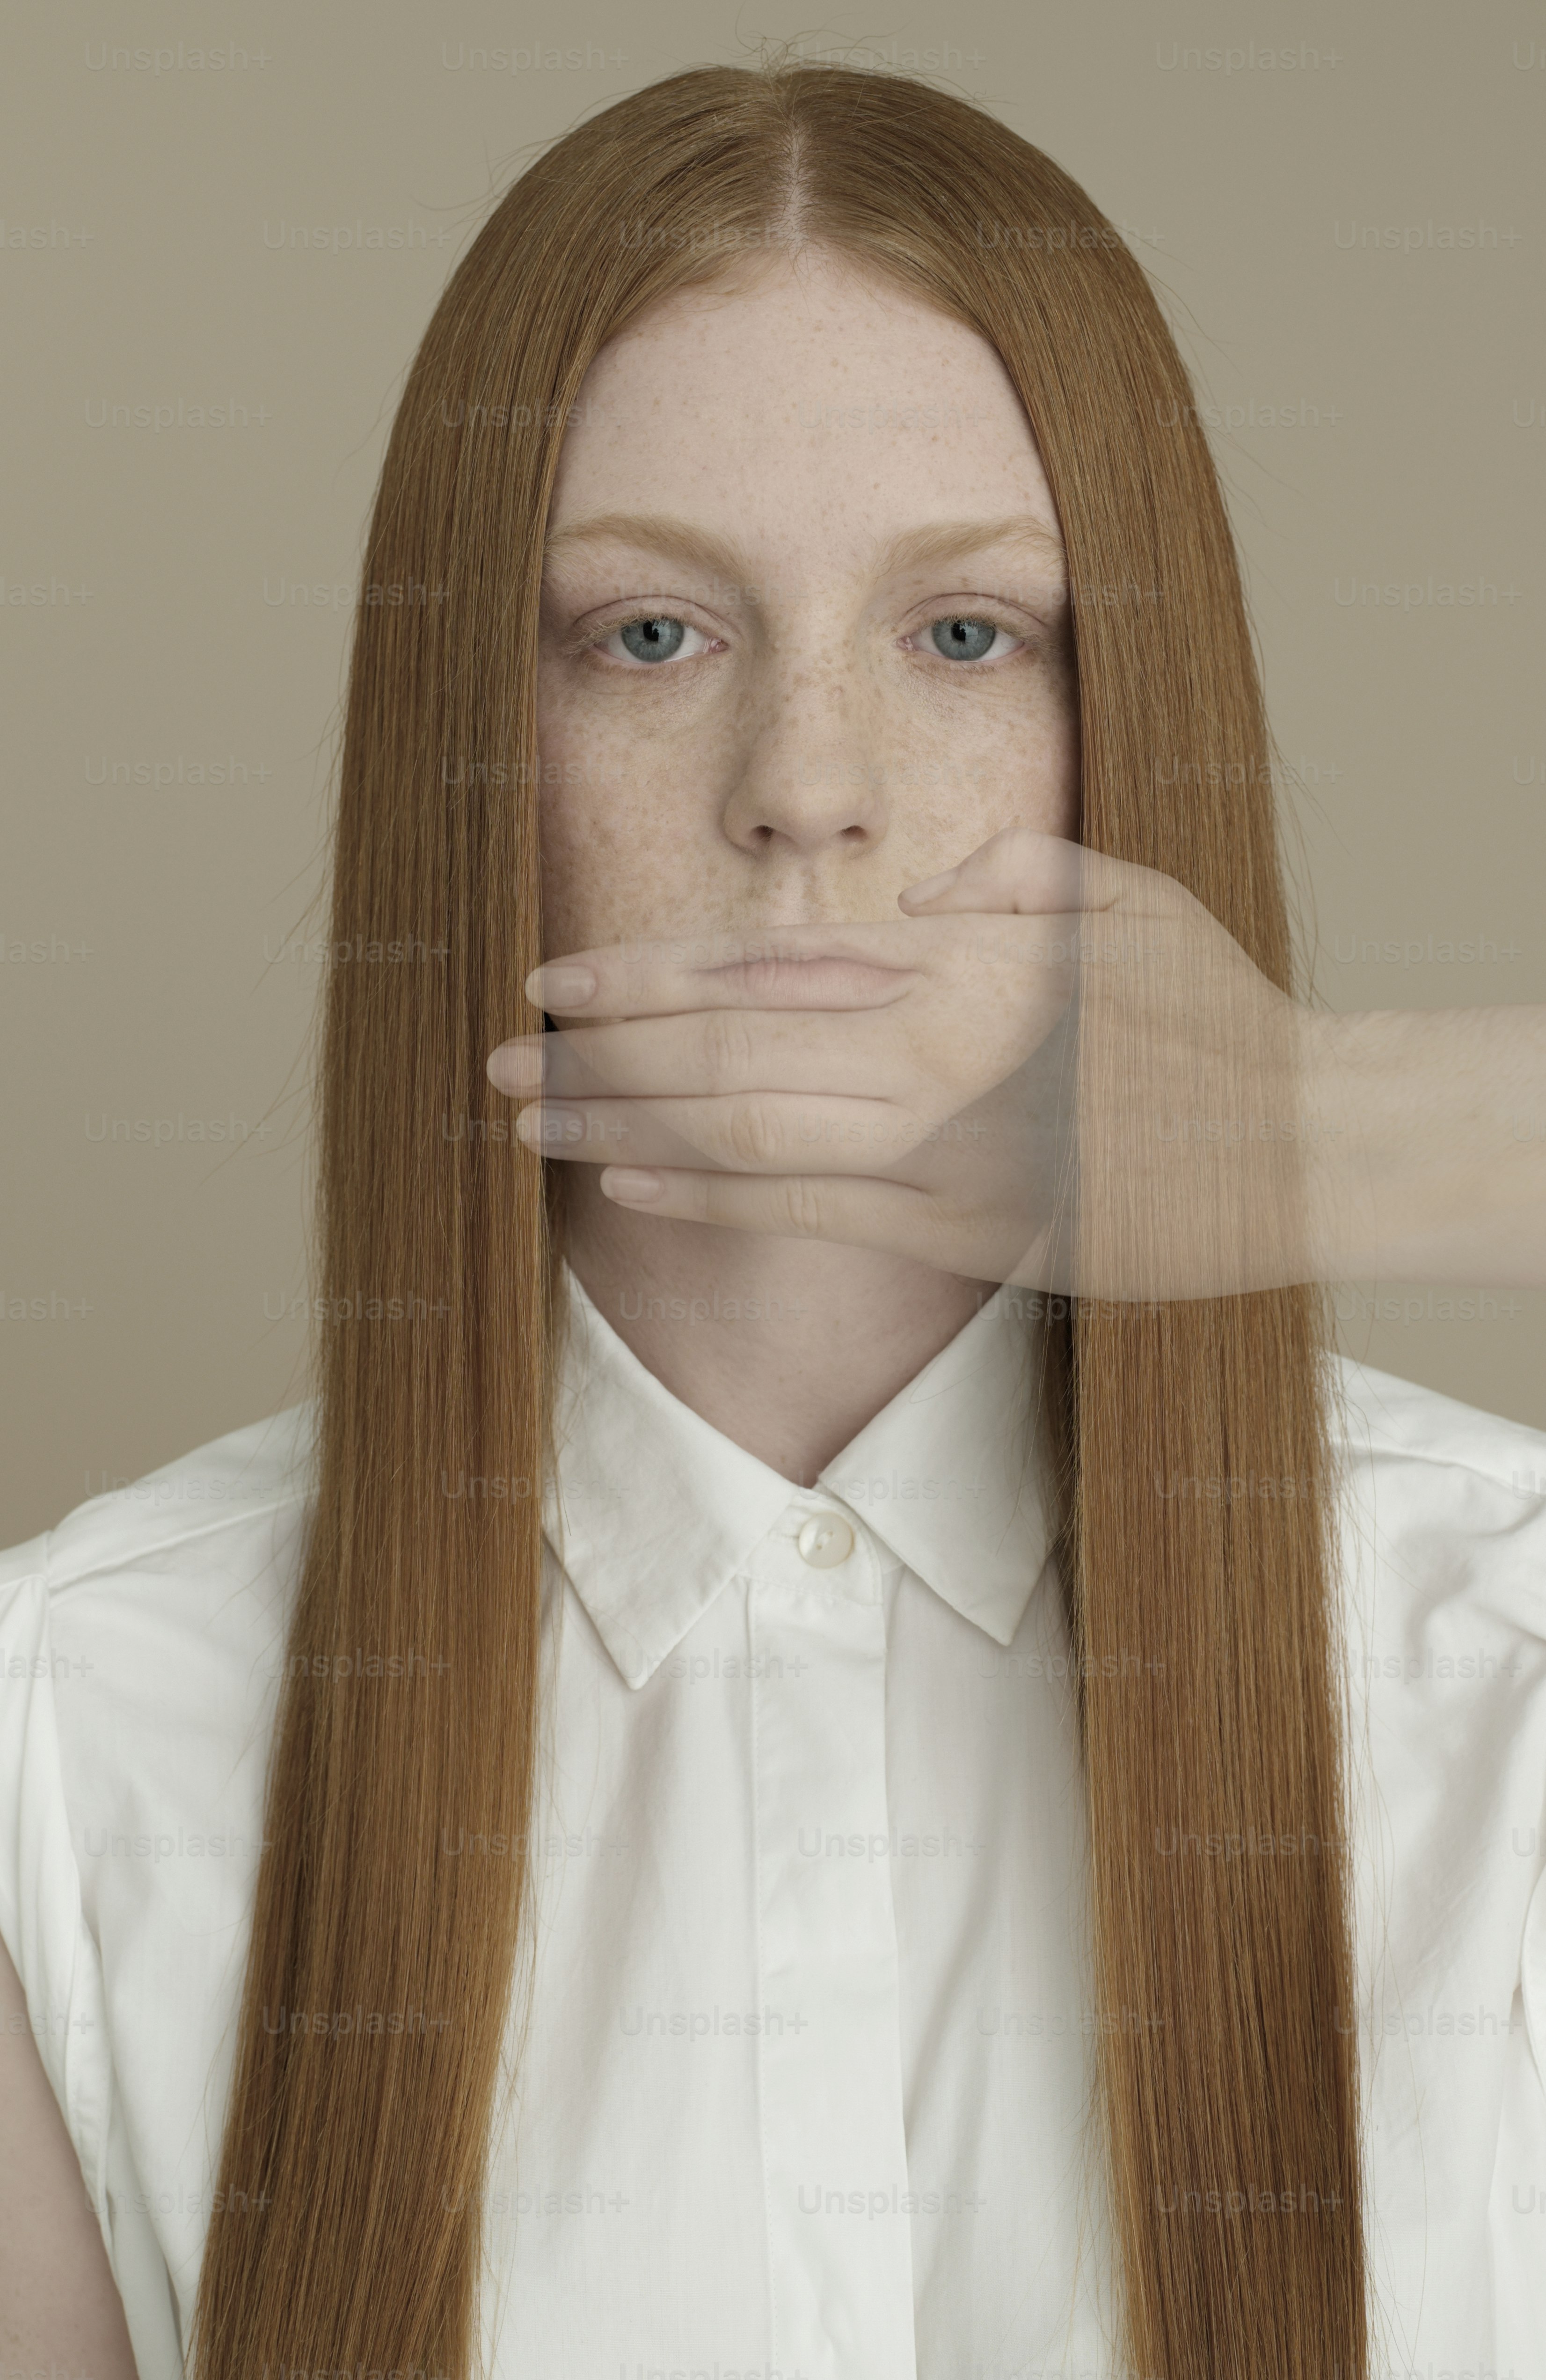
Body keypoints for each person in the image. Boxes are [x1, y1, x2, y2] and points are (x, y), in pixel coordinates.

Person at [2, 59, 1544, 2380]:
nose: (806, 792)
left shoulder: (1511, 1674)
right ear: (473, 742)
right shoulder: (64, 1744)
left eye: (964, 635)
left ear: (1130, 709)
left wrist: (1324, 1135)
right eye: (649, 636)